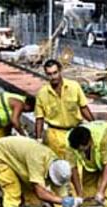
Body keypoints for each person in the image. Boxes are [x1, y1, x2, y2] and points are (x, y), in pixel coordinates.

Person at [0, 136, 83, 207]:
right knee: (13, 192)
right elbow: (41, 193)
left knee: (34, 201)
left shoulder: (59, 169)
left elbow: (60, 196)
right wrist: (63, 201)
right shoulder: (38, 160)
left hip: (19, 162)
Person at [35, 59, 94, 197]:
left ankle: (78, 199)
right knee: (56, 169)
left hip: (74, 133)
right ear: (46, 74)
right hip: (54, 134)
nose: (53, 77)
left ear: (60, 71)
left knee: (76, 170)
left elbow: (83, 107)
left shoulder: (74, 87)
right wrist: (38, 138)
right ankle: (60, 204)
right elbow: (39, 118)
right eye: (49, 74)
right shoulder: (42, 93)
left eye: (55, 73)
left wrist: (94, 124)